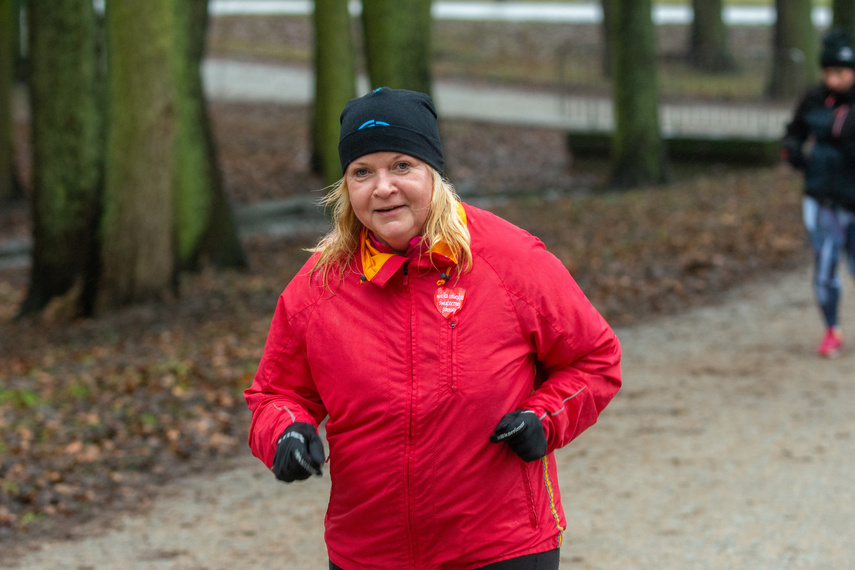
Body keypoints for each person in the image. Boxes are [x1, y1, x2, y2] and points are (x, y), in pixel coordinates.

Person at [244, 87, 622, 569]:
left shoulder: (510, 261)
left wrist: (544, 418)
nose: (383, 187)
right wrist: (286, 434)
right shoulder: (318, 287)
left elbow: (595, 359)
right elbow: (275, 395)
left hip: (501, 548)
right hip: (370, 553)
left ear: (434, 174)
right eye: (363, 172)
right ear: (345, 188)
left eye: (402, 165)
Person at [781, 28, 855, 358]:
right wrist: (796, 154)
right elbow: (793, 134)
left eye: (840, 72)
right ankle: (832, 329)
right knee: (825, 269)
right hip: (823, 199)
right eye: (828, 72)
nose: (834, 78)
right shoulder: (812, 99)